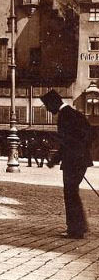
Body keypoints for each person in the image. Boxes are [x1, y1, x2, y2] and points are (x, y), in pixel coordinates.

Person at [42, 90, 94, 239]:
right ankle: (79, 227)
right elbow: (90, 134)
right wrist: (83, 151)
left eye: (47, 105)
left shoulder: (65, 116)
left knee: (70, 193)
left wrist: (55, 159)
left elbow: (66, 143)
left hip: (73, 161)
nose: (47, 109)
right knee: (72, 193)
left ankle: (75, 230)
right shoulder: (73, 113)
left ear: (54, 103)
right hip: (78, 160)